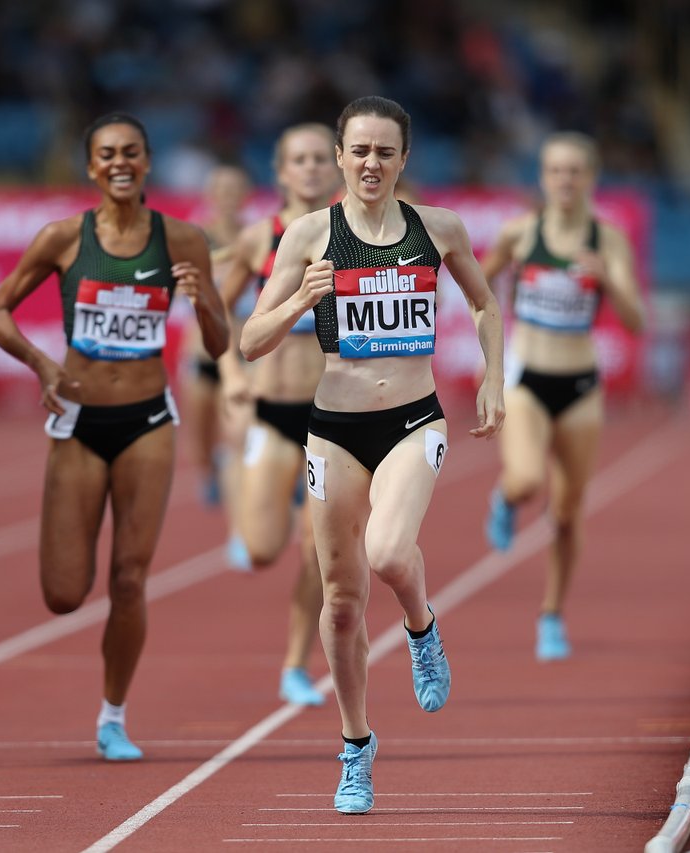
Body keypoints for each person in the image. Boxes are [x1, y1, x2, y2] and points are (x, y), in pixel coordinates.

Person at [239, 96, 505, 813]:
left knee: (388, 552)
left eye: (385, 151)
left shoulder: (437, 228)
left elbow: (484, 304)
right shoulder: (307, 235)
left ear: (404, 159)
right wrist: (300, 300)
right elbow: (249, 340)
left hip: (415, 419)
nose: (370, 164)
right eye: (359, 150)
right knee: (343, 603)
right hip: (333, 428)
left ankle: (422, 627)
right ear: (338, 156)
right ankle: (356, 746)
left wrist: (494, 379)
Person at [0, 113, 229, 761]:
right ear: (91, 168)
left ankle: (113, 716)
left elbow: (222, 341)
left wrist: (201, 301)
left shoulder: (183, 241)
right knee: (64, 593)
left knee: (128, 578)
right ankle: (107, 701)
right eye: (106, 154)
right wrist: (42, 363)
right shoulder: (62, 238)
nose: (120, 162)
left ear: (148, 163)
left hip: (148, 420)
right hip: (80, 421)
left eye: (132, 152)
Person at [481, 131, 644, 661]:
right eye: (555, 170)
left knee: (569, 514)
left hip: (580, 387)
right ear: (543, 177)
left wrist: (609, 282)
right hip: (529, 381)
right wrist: (493, 336)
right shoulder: (521, 233)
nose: (565, 180)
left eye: (575, 171)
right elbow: (476, 286)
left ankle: (551, 614)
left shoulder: (608, 238)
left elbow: (637, 320)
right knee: (528, 479)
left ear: (591, 178)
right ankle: (506, 498)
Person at [216, 123, 341, 707]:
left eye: (321, 158)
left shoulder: (358, 235)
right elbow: (215, 314)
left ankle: (295, 665)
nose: (312, 168)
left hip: (332, 417)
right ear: (281, 171)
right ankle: (255, 481)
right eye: (300, 159)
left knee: (318, 555)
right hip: (271, 411)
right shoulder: (256, 239)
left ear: (336, 166)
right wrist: (232, 376)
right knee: (263, 549)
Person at [180, 163, 252, 508]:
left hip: (239, 351)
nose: (228, 197)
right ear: (211, 196)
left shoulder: (254, 238)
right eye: (221, 190)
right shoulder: (196, 238)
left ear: (244, 194)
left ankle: (239, 488)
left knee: (238, 430)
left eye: (234, 190)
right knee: (202, 434)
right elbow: (182, 290)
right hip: (202, 352)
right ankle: (209, 471)